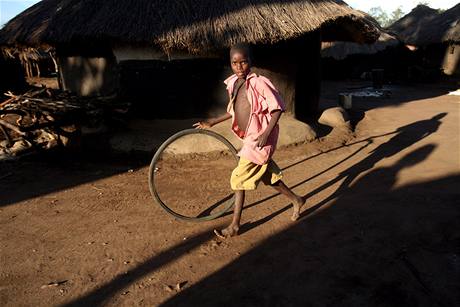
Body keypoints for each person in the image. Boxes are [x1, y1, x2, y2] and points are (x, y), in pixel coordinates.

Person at [193, 43, 305, 238]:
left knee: (238, 179)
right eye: (235, 63)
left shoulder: (260, 83)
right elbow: (234, 109)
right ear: (230, 63)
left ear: (250, 62)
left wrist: (265, 134)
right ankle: (296, 199)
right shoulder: (234, 84)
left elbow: (278, 107)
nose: (239, 67)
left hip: (260, 139)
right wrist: (212, 121)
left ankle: (235, 225)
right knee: (267, 177)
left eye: (243, 62)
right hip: (250, 138)